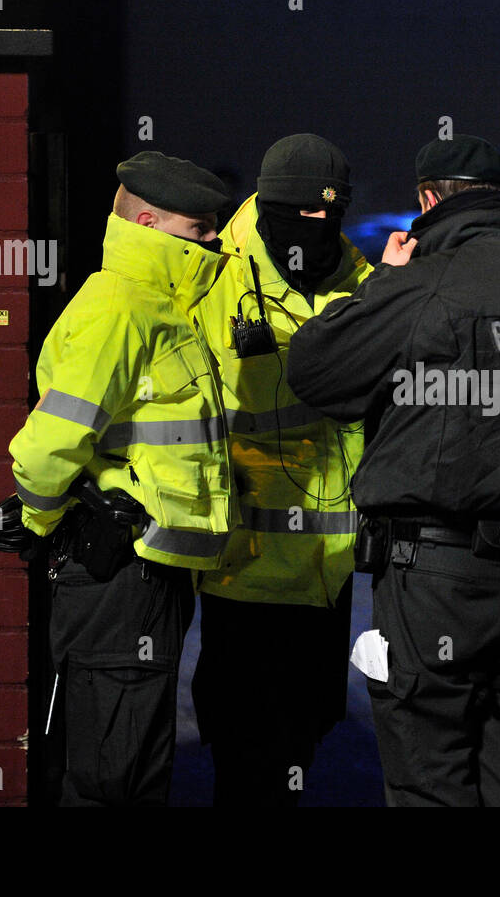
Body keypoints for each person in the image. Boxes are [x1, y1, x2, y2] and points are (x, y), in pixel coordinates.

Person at [287, 135, 500, 806]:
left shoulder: (423, 288)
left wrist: (384, 280)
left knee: (432, 779)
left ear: (428, 199)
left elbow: (314, 370)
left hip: (436, 579)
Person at [0, 151, 236, 805]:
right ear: (150, 223)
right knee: (112, 778)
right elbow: (50, 446)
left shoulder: (159, 307)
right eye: (200, 229)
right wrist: (40, 519)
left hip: (141, 576)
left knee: (133, 768)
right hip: (116, 576)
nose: (213, 240)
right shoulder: (121, 309)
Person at [190, 134, 371, 806]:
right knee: (245, 753)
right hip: (242, 565)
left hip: (328, 568)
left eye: (329, 215)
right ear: (266, 204)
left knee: (302, 741)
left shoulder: (364, 285)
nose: (314, 227)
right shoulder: (215, 278)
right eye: (297, 213)